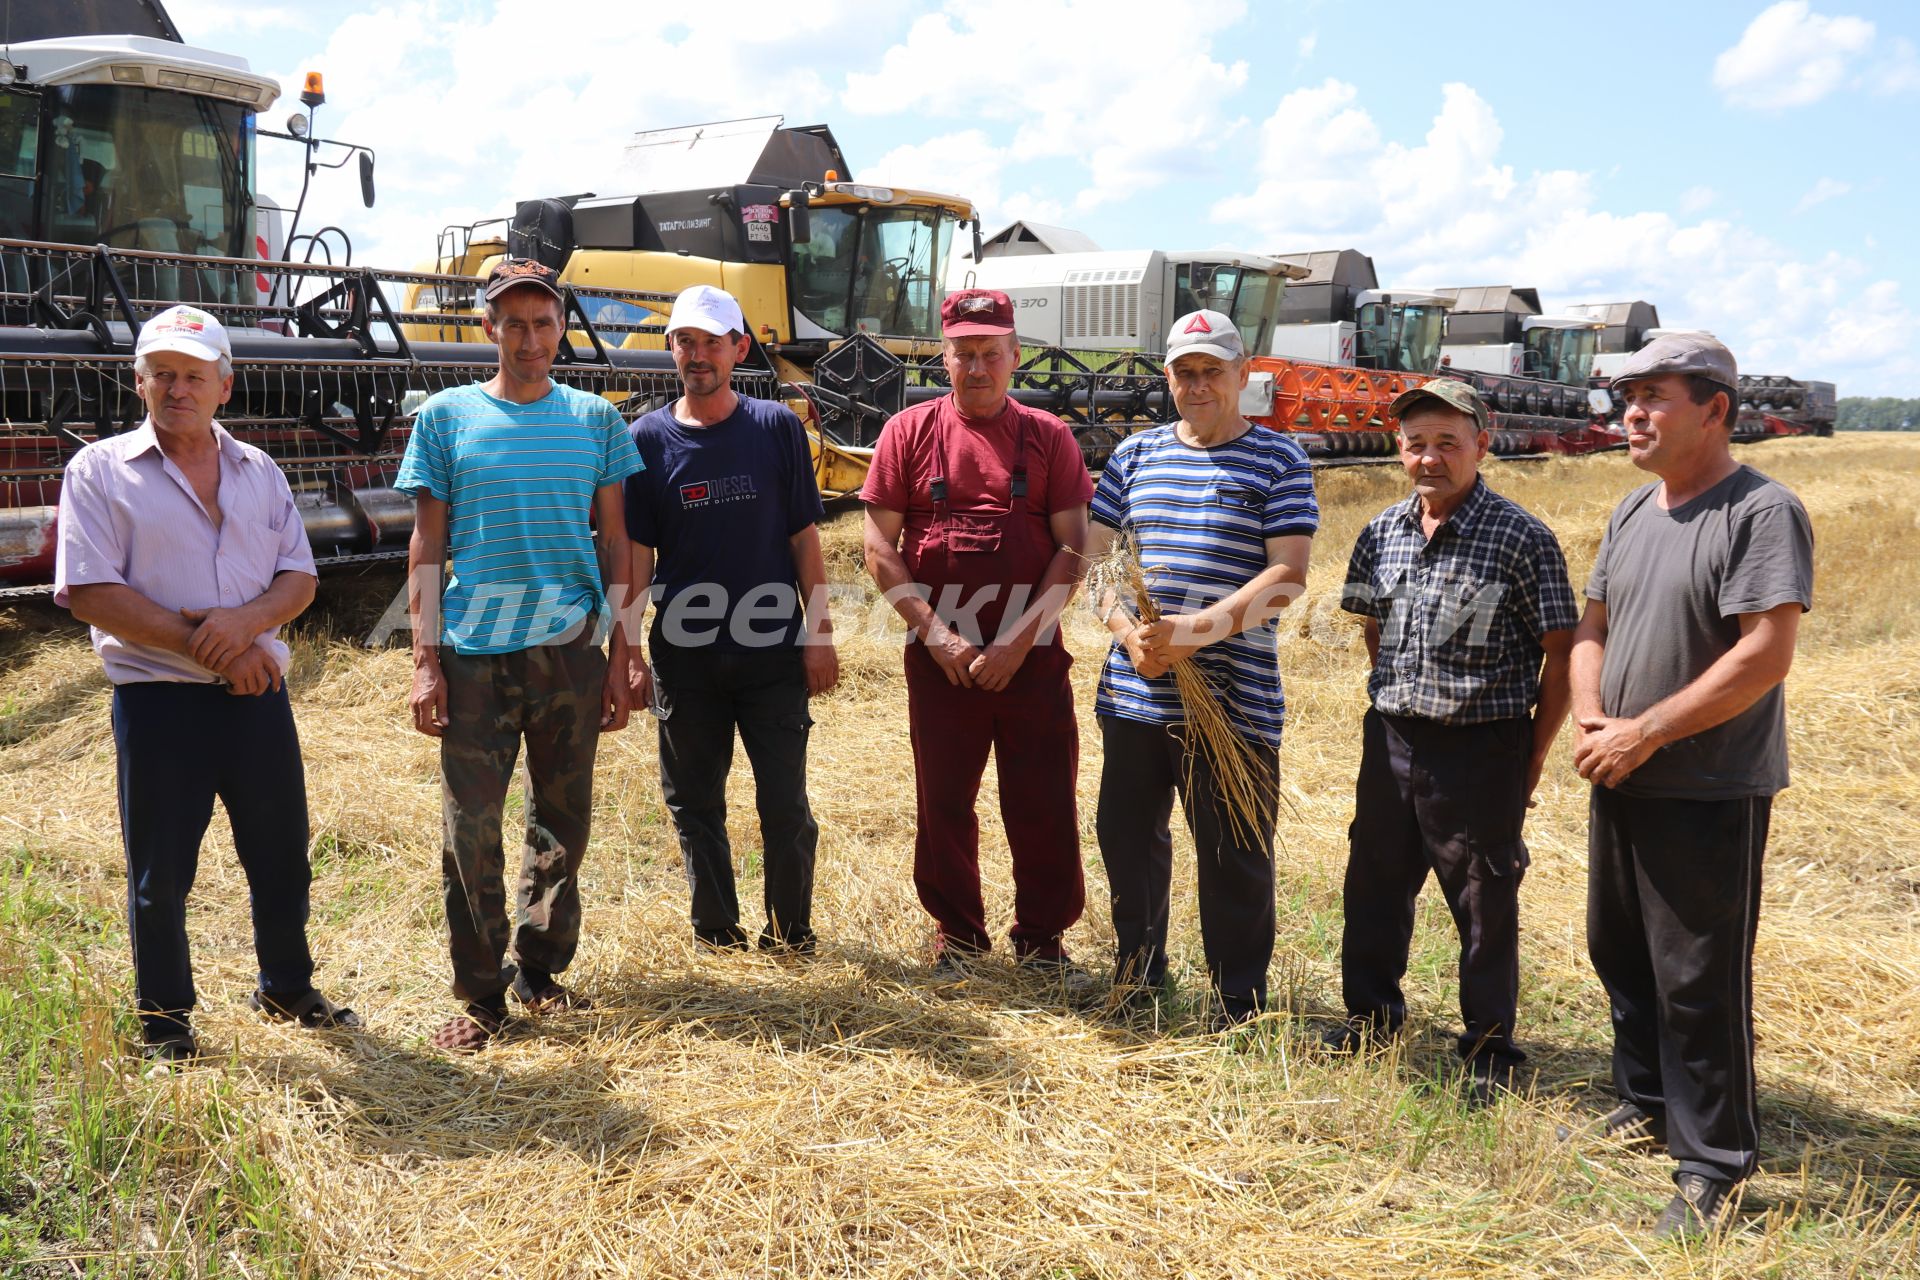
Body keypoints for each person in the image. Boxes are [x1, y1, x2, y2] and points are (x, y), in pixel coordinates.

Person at [54, 304, 357, 1061]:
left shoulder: (259, 471)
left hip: (258, 699)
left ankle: (286, 984)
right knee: (162, 871)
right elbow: (93, 593)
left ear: (226, 385)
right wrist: (221, 647)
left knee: (281, 851)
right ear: (138, 383)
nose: (176, 388)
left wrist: (247, 622)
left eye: (193, 375)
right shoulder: (99, 472)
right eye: (162, 375)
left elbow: (299, 576)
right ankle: (166, 1023)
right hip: (159, 702)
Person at [1570, 333, 1813, 1238]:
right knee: (1619, 949)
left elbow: (1765, 652)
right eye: (1627, 396)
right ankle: (1646, 1100)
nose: (1632, 412)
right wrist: (1596, 718)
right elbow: (1592, 623)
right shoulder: (1635, 510)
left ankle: (1713, 1162)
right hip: (1621, 768)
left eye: (1655, 395)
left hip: (1709, 782)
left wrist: (1648, 731)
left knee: (1697, 977)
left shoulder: (1760, 512)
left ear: (1716, 408)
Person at [397, 257, 642, 1053]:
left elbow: (617, 542)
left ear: (560, 328)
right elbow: (426, 544)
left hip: (570, 652)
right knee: (470, 832)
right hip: (474, 656)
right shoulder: (445, 419)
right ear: (486, 328)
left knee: (562, 824)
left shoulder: (596, 421)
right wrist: (425, 660)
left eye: (542, 322)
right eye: (513, 322)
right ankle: (479, 996)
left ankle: (540, 969)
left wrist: (623, 651)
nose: (528, 338)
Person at [1329, 379, 1577, 1100]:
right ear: (1398, 450)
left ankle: (1490, 1047)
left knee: (1482, 898)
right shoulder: (1383, 530)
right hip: (1392, 739)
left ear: (1481, 445)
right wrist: (1401, 702)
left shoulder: (1521, 537)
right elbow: (1373, 626)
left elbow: (1559, 652)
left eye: (1447, 443)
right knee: (1373, 883)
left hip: (1480, 747)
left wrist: (1529, 757)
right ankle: (1371, 1018)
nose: (1430, 459)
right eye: (1416, 445)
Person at [1084, 309, 1316, 1030]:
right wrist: (1131, 635)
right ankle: (1138, 976)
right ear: (1168, 379)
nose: (1199, 385)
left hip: (1233, 700)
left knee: (1234, 851)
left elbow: (1288, 575)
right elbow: (1097, 564)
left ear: (1243, 376)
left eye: (1213, 371)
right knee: (1127, 840)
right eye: (1185, 372)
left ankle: (1237, 1002)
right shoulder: (1136, 455)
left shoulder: (1279, 459)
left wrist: (1192, 633)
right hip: (1135, 693)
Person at [860, 288, 1092, 981]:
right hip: (942, 662)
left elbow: (1074, 549)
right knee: (944, 803)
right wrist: (938, 638)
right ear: (945, 358)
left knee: (1044, 798)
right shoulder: (907, 433)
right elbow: (877, 547)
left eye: (992, 353)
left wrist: (1019, 641)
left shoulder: (1049, 438)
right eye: (964, 353)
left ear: (1016, 356)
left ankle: (1044, 942)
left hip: (1033, 657)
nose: (979, 366)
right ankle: (957, 938)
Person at [624, 285, 838, 953]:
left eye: (712, 342)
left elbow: (805, 539)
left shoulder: (776, 428)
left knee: (784, 805)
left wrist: (821, 633)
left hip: (772, 650)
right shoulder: (645, 441)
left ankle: (789, 932)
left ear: (739, 349)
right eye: (685, 342)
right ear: (671, 350)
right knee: (694, 800)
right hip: (685, 658)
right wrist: (626, 650)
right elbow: (635, 556)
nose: (698, 355)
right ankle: (715, 928)